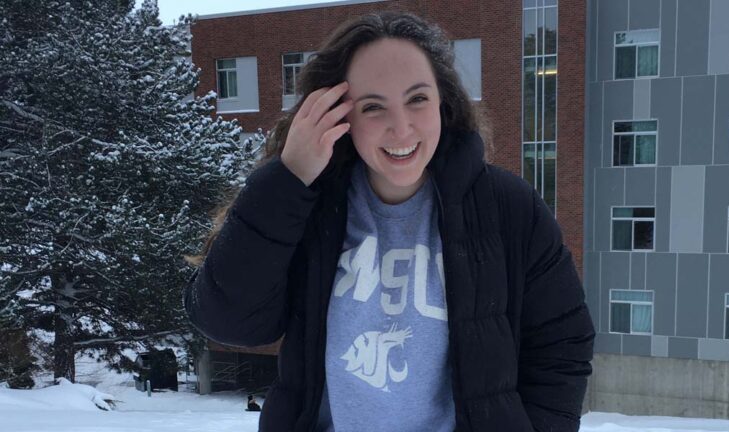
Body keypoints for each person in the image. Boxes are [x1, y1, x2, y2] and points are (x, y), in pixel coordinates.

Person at [183, 11, 594, 432]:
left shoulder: (510, 208)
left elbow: (563, 345)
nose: (401, 129)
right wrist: (288, 178)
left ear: (443, 102)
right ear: (340, 117)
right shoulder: (307, 207)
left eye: (417, 98)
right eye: (373, 106)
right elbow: (226, 321)